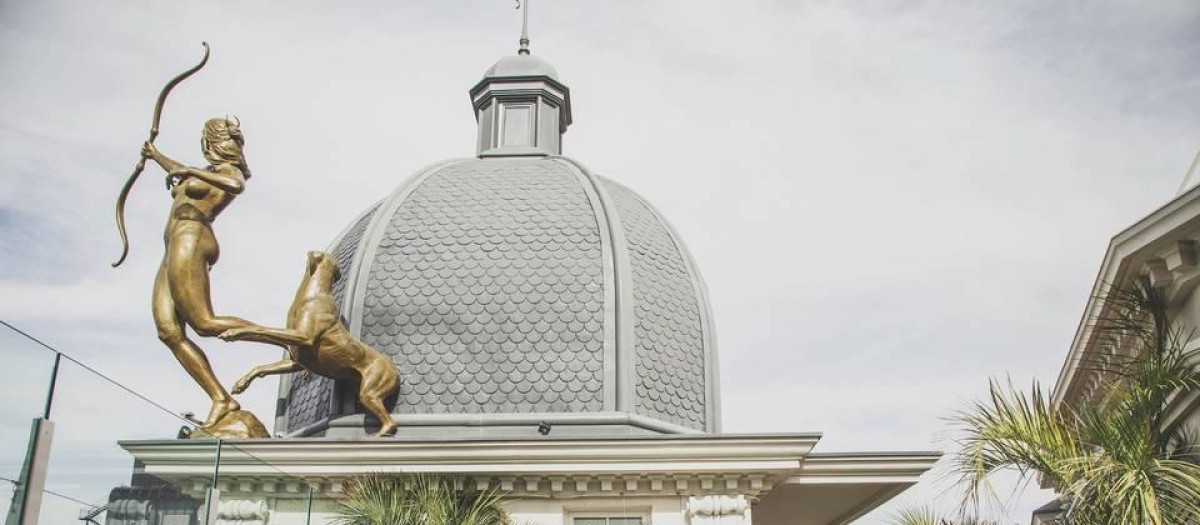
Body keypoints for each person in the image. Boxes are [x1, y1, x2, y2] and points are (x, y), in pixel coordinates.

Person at [141, 117, 256, 428]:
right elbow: (180, 170)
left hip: (191, 241)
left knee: (205, 323)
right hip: (173, 246)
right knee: (168, 330)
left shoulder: (227, 172)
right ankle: (221, 397)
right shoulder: (207, 173)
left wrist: (187, 171)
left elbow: (237, 185)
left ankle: (280, 339)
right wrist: (156, 155)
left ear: (212, 143)